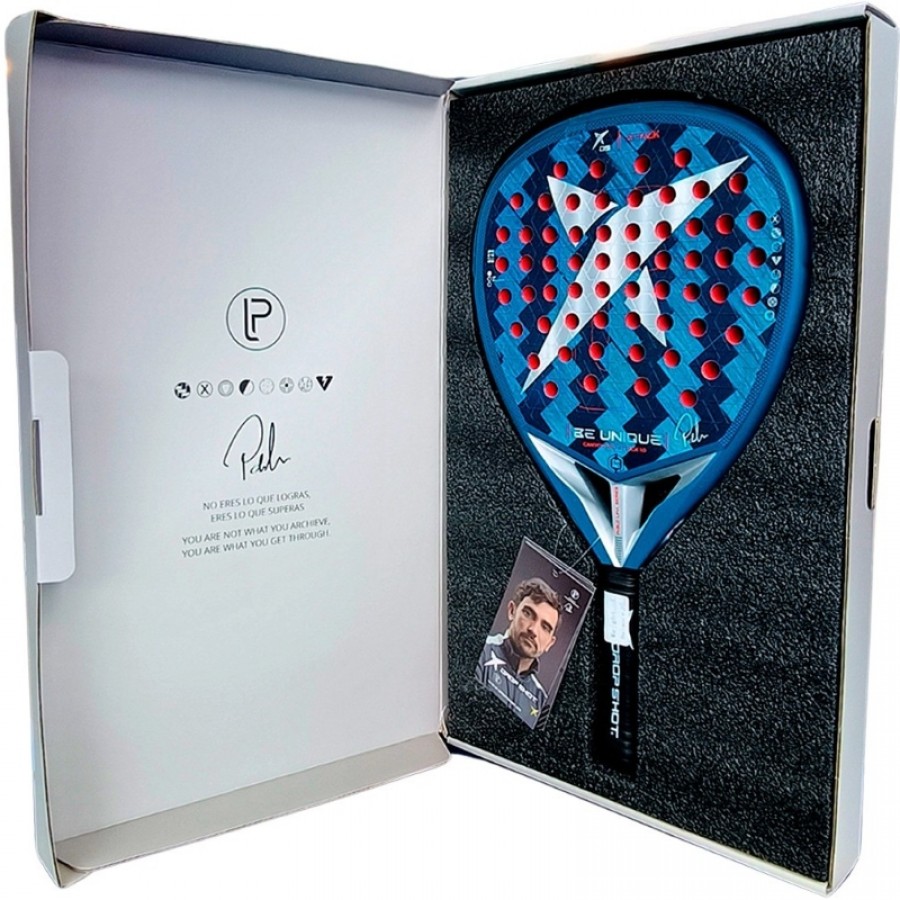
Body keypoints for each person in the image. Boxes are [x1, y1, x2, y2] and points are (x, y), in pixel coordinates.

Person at [475, 577, 562, 727]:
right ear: (512, 611)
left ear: (550, 643)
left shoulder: (541, 700)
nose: (533, 630)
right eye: (528, 614)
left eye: (545, 627)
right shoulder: (482, 651)